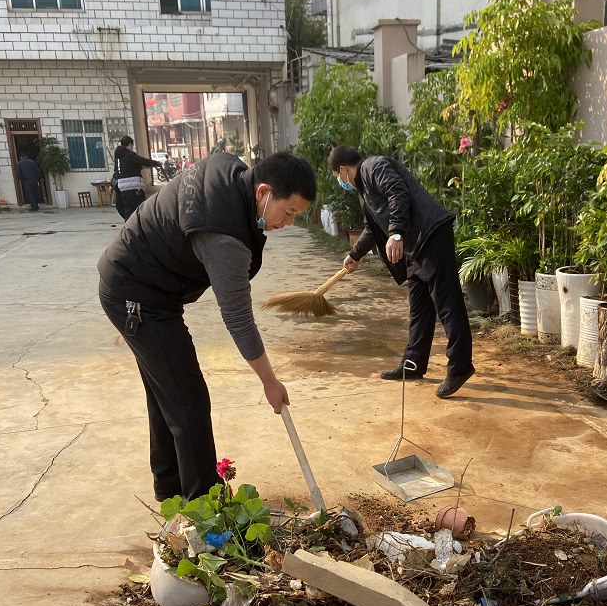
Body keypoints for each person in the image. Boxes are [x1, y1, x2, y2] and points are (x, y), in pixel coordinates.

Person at [98, 150, 316, 502]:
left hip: (144, 284)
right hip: (136, 294)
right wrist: (269, 381)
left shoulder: (232, 171)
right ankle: (205, 513)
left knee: (167, 394)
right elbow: (238, 318)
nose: (288, 222)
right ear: (262, 192)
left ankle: (170, 489)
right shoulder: (223, 238)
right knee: (188, 402)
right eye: (288, 211)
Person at [329, 144, 475, 399]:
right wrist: (355, 254)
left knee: (448, 304)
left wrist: (396, 232)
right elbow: (372, 229)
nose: (341, 182)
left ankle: (460, 367)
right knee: (419, 309)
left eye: (338, 177)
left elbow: (398, 192)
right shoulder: (364, 190)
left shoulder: (373, 166)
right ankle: (414, 364)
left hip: (431, 235)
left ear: (342, 169)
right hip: (415, 246)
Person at [112, 136, 162, 221]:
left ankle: (129, 227)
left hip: (123, 188)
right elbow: (143, 161)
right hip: (133, 187)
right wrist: (156, 163)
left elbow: (123, 169)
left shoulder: (118, 158)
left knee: (129, 209)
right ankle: (143, 226)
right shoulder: (129, 154)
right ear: (130, 144)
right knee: (141, 208)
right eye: (132, 145)